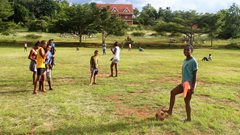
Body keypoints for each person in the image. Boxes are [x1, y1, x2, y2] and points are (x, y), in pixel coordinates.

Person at [163, 45, 198, 122]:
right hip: (183, 83)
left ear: (191, 51)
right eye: (184, 50)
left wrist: (192, 87)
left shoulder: (193, 61)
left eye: (187, 50)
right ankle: (170, 111)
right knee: (173, 92)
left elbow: (195, 75)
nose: (185, 51)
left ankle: (189, 119)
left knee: (187, 101)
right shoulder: (185, 60)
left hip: (188, 85)